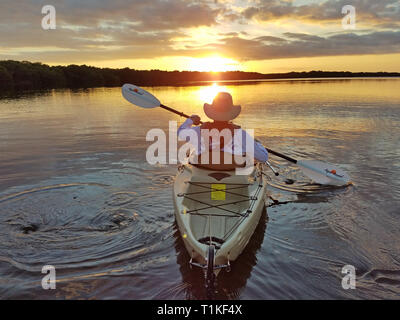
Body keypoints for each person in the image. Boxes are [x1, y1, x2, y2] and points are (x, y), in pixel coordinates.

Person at [177, 92, 268, 169]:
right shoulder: (241, 135)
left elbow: (180, 133)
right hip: (233, 175)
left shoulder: (198, 131)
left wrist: (191, 120)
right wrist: (257, 144)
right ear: (230, 114)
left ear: (212, 112)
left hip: (204, 170)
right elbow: (263, 157)